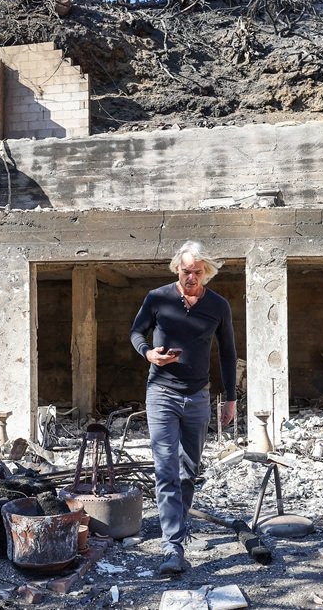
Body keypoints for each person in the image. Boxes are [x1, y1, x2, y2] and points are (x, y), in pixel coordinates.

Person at [129, 240, 238, 575]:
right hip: (161, 393)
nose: (191, 277)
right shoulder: (158, 298)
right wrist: (149, 353)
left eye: (197, 272)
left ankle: (178, 524)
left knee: (188, 470)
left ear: (206, 272)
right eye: (186, 271)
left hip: (198, 397)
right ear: (177, 268)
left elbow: (228, 353)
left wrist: (231, 398)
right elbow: (136, 332)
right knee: (166, 470)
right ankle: (172, 547)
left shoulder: (218, 306)